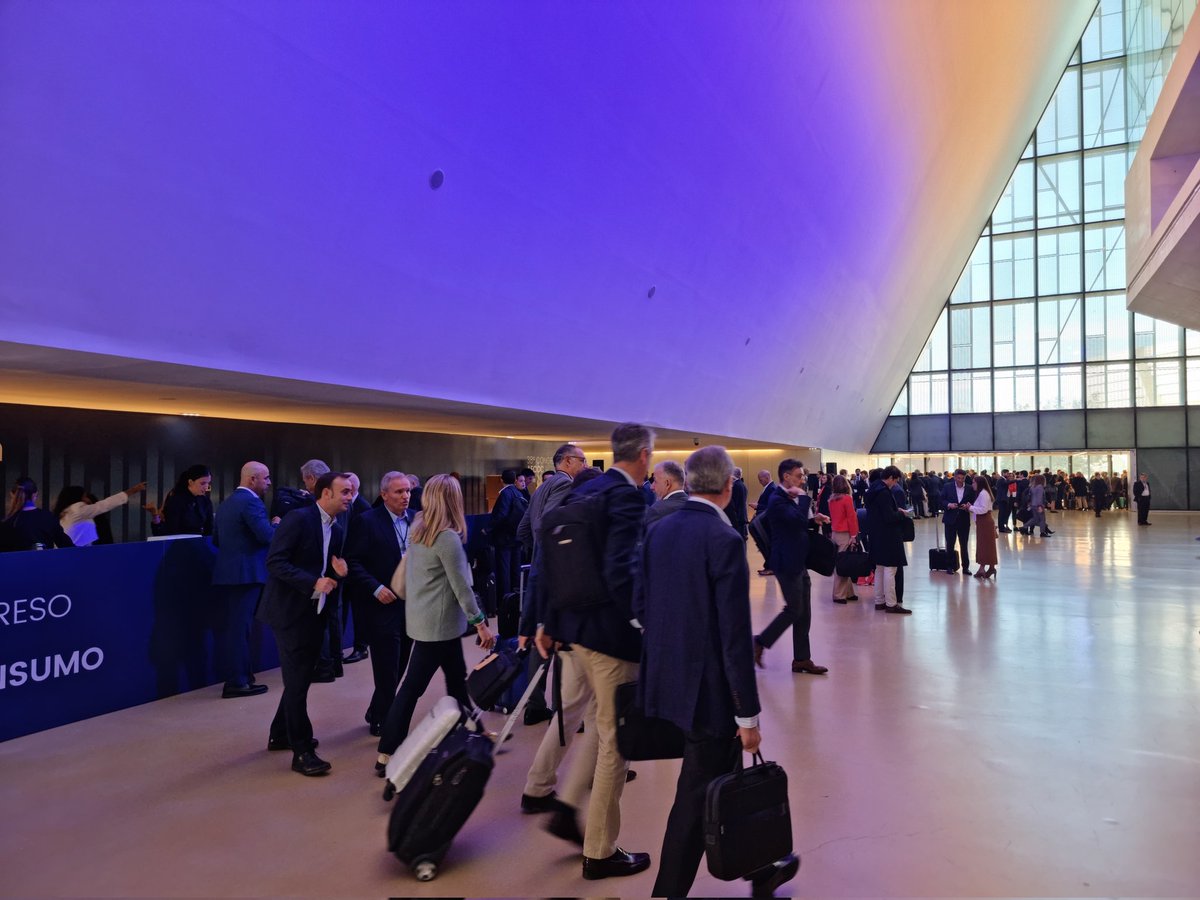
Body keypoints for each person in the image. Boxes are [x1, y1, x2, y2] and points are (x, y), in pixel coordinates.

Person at [638, 446, 794, 899]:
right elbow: (733, 636)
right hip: (708, 694)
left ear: (686, 483)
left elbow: (641, 606)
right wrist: (747, 716)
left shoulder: (658, 529)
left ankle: (761, 868)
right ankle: (668, 893)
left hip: (668, 680)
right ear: (728, 486)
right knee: (695, 795)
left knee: (722, 778)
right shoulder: (723, 540)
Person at [542, 423, 654, 881]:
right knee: (615, 741)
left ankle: (567, 805)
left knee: (598, 725)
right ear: (644, 455)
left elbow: (558, 561)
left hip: (577, 631)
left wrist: (551, 622)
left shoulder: (586, 490)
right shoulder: (626, 496)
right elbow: (621, 569)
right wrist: (642, 623)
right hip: (611, 638)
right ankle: (600, 851)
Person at [375, 475, 495, 772]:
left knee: (456, 679)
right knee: (412, 687)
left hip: (427, 620)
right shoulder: (446, 537)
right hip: (438, 626)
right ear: (454, 500)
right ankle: (387, 751)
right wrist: (481, 623)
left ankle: (473, 731)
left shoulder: (420, 527)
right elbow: (461, 587)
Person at [257, 471, 352, 776]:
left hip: (314, 612)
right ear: (326, 493)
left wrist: (337, 574)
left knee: (301, 677)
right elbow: (275, 562)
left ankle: (280, 734)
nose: (350, 497)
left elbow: (327, 573)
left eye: (351, 491)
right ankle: (302, 752)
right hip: (288, 612)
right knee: (298, 681)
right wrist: (313, 581)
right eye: (345, 491)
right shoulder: (298, 519)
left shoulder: (337, 529)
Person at [345, 471, 416, 736]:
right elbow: (353, 562)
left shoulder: (417, 519)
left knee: (401, 662)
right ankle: (384, 719)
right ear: (384, 494)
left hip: (411, 603)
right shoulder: (367, 521)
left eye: (408, 491)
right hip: (381, 603)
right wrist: (375, 588)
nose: (405, 496)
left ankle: (377, 709)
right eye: (399, 492)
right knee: (386, 664)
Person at [752, 459, 830, 674]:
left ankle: (802, 659)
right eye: (798, 476)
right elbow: (795, 521)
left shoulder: (787, 498)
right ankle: (759, 642)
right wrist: (804, 497)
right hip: (786, 563)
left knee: (804, 612)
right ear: (786, 477)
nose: (802, 480)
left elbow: (797, 524)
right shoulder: (777, 499)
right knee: (794, 609)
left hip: (798, 561)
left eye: (802, 476)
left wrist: (814, 521)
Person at [211, 462, 275, 698]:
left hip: (229, 575)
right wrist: (277, 525)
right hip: (247, 575)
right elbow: (267, 536)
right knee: (240, 630)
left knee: (238, 628)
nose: (269, 483)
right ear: (252, 479)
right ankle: (238, 681)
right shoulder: (251, 503)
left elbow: (216, 540)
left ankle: (243, 677)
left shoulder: (226, 503)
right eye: (266, 478)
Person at [866, 466, 913, 614]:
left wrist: (895, 511)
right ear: (891, 478)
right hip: (889, 536)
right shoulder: (884, 492)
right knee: (890, 569)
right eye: (895, 480)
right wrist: (902, 514)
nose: (895, 483)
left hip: (876, 534)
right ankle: (891, 603)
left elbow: (879, 513)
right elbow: (889, 517)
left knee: (879, 568)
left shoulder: (873, 489)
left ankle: (879, 601)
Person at [54, 481, 146, 546]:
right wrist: (132, 491)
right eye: (85, 497)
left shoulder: (64, 513)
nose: (88, 500)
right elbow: (104, 505)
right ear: (76, 498)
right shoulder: (78, 508)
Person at [490, 468, 528, 612]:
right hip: (516, 537)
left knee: (504, 570)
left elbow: (501, 515)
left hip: (504, 538)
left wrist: (487, 528)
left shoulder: (505, 494)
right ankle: (516, 599)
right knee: (515, 569)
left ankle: (505, 602)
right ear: (515, 480)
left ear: (501, 480)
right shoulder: (519, 494)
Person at [0, 478, 73, 551]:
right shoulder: (48, 517)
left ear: (12, 495)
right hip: (45, 558)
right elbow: (66, 545)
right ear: (35, 494)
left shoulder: (8, 522)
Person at [151, 465, 214, 536]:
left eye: (208, 483)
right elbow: (171, 530)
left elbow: (209, 529)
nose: (206, 487)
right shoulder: (177, 500)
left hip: (200, 540)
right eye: (203, 483)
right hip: (179, 540)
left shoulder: (205, 501)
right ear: (190, 482)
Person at [828, 474, 859, 604]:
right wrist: (854, 535)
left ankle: (849, 592)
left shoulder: (831, 500)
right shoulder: (847, 499)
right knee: (843, 564)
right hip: (845, 533)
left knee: (843, 562)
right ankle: (839, 595)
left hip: (835, 532)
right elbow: (851, 517)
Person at [940, 469, 976, 575]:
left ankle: (965, 567)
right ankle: (950, 566)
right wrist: (949, 505)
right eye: (958, 478)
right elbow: (941, 500)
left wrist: (968, 506)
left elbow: (973, 501)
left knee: (964, 544)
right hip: (950, 519)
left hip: (964, 520)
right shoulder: (947, 486)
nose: (960, 480)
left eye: (962, 478)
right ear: (954, 477)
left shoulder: (969, 488)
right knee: (950, 544)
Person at [968, 475, 998, 579]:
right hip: (983, 522)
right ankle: (987, 568)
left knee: (984, 546)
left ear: (979, 483)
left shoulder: (983, 494)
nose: (972, 484)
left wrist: (970, 507)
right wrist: (971, 507)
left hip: (985, 522)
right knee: (986, 546)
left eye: (974, 482)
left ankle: (985, 568)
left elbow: (983, 509)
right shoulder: (983, 493)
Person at [645, 460, 687, 524]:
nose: (651, 487)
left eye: (655, 481)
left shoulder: (657, 510)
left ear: (667, 483)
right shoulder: (694, 506)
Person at [724, 466, 749, 539]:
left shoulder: (735, 486)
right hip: (741, 518)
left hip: (736, 520)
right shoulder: (742, 485)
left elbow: (732, 506)